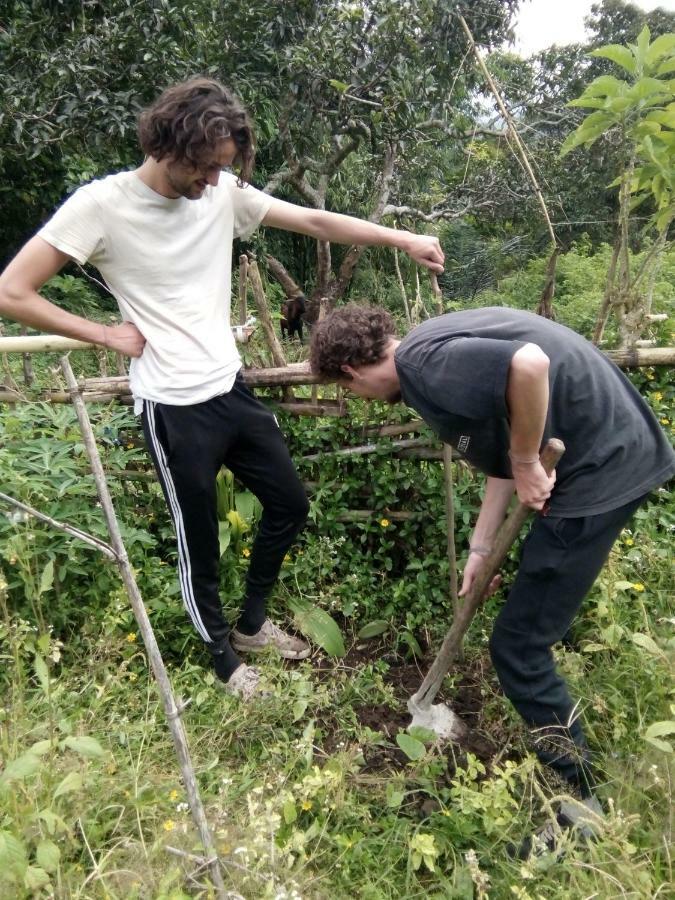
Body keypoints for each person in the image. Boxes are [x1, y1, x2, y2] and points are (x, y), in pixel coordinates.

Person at [0, 78, 444, 700]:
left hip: (229, 389)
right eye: (206, 168)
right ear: (168, 143)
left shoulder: (222, 192)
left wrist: (400, 237)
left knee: (289, 503)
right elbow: (12, 291)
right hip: (172, 406)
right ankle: (221, 657)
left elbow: (314, 219)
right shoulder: (100, 207)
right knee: (199, 539)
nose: (214, 183)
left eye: (224, 170)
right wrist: (103, 333)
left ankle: (252, 625)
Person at [309, 304, 674, 852]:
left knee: (518, 647)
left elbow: (528, 365)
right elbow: (505, 449)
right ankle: (571, 720)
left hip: (601, 466)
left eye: (347, 391)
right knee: (536, 616)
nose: (355, 400)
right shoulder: (424, 355)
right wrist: (481, 546)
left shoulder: (426, 368)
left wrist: (529, 460)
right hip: (609, 452)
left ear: (352, 374)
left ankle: (585, 809)